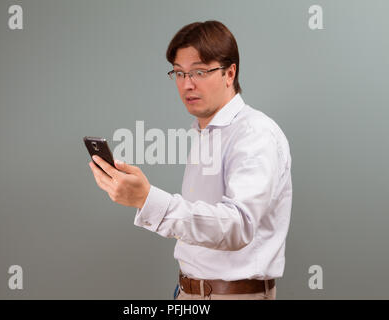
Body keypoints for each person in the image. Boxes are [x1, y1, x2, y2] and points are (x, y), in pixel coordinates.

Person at [89, 20, 292, 300]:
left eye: (199, 71)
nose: (187, 84)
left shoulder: (254, 133)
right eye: (180, 73)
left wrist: (147, 199)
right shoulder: (205, 132)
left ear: (229, 73)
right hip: (188, 292)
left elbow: (238, 225)